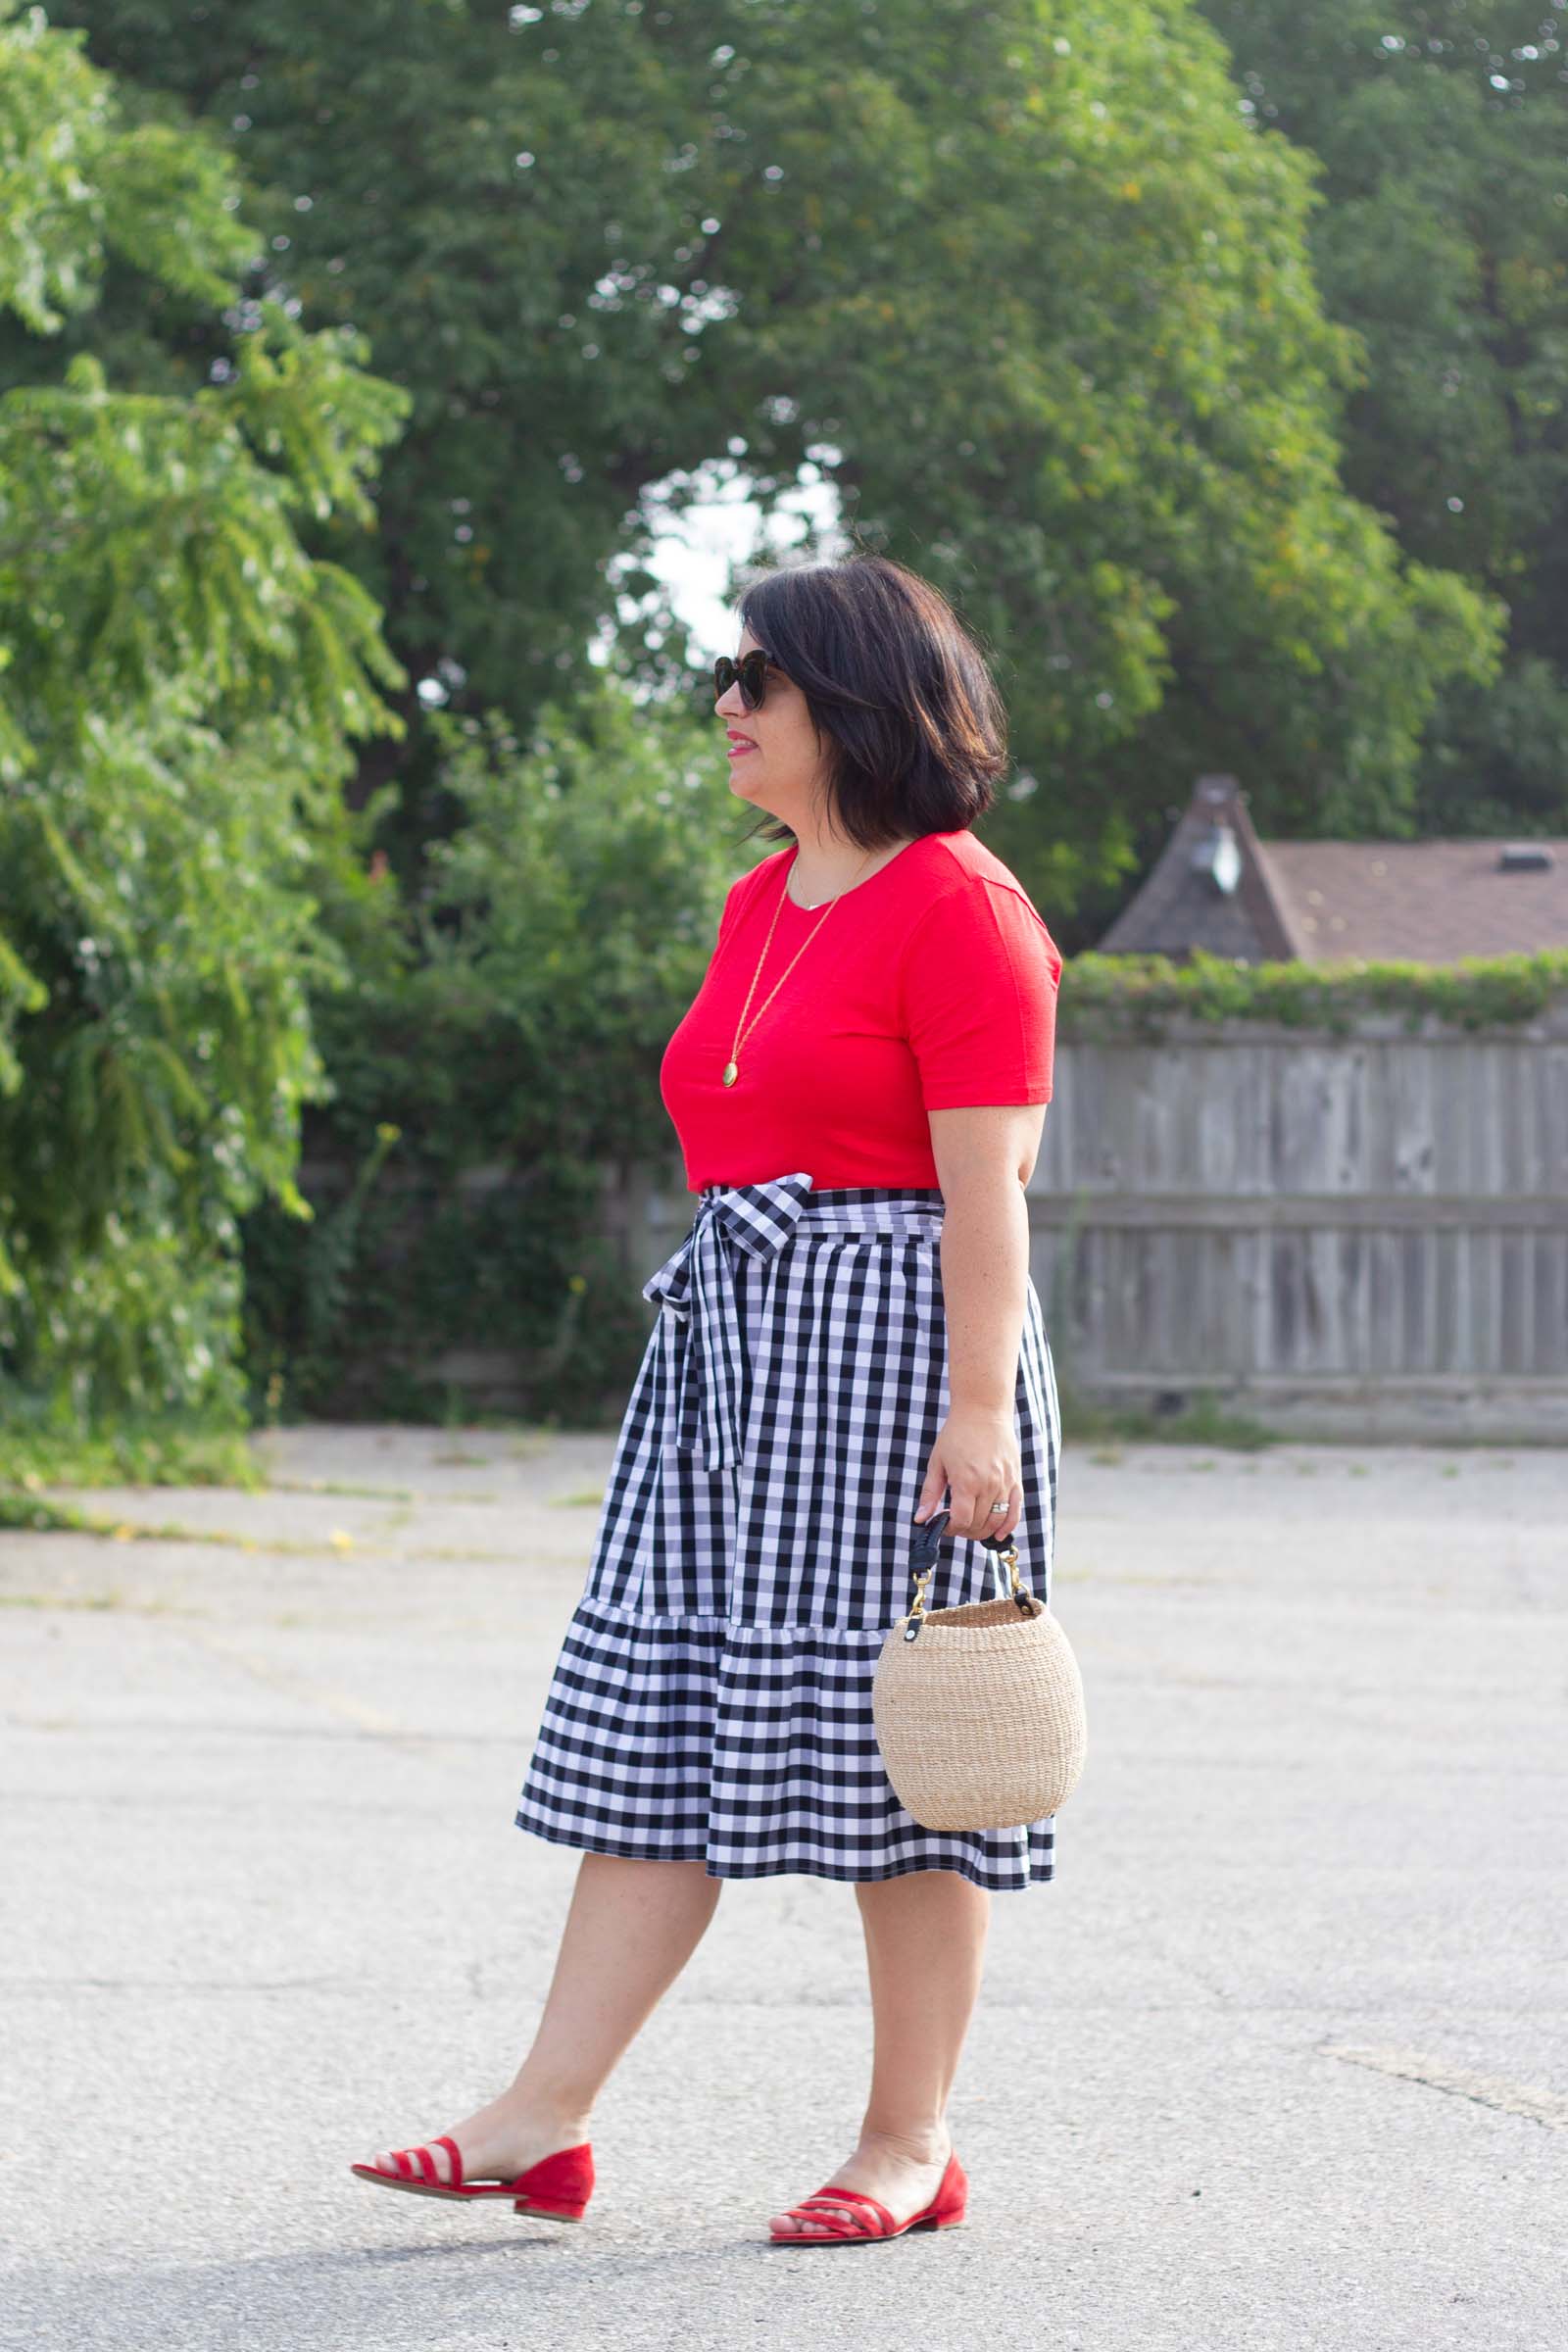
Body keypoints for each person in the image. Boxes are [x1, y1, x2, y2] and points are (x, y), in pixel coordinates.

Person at [351, 552, 1064, 2246]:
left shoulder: (964, 904)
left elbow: (993, 1192)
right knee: (654, 1733)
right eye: (722, 675)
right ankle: (545, 2117)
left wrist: (976, 1413)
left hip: (895, 1352)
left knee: (912, 1756)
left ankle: (911, 2142)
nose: (726, 705)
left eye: (758, 678)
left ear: (857, 700)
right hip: (731, 1354)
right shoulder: (761, 904)